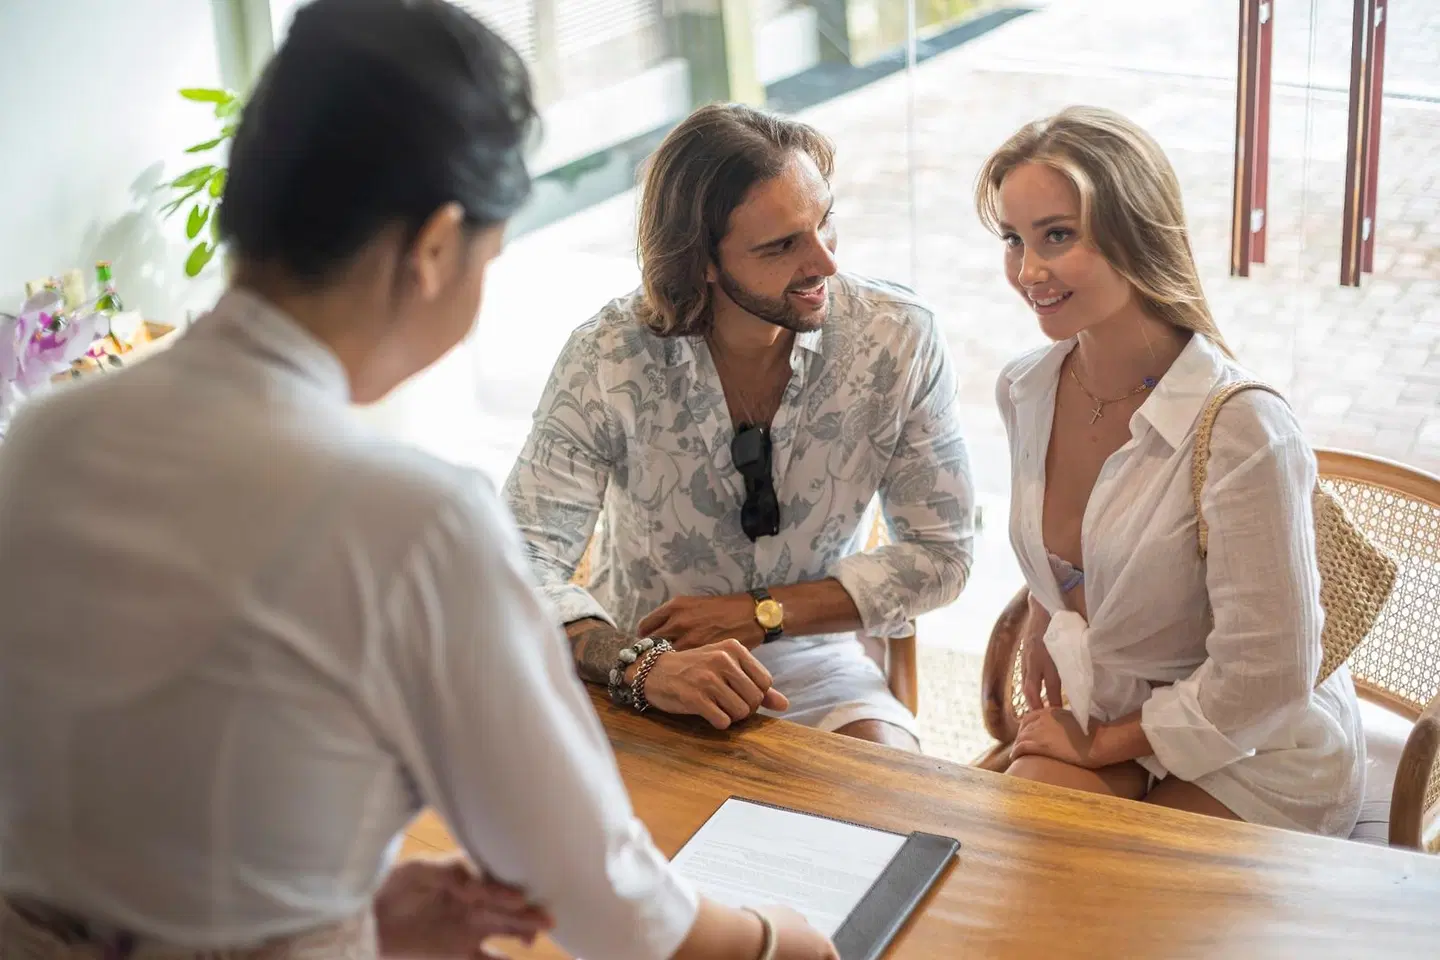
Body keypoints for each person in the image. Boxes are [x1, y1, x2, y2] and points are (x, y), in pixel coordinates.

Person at [0, 3, 836, 959]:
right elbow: (598, 891)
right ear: (438, 246)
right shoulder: (407, 517)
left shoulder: (47, 440)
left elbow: (123, 808)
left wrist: (346, 914)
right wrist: (779, 942)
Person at [503, 103, 975, 752]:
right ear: (700, 261)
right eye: (782, 245)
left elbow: (942, 556)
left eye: (824, 222)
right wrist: (639, 666)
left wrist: (761, 612)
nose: (825, 264)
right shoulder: (607, 356)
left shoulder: (899, 338)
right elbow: (517, 564)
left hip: (815, 660)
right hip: (637, 662)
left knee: (892, 815)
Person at [980, 105, 1364, 836]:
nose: (1028, 272)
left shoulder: (1245, 430)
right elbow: (1072, 547)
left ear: (1136, 233)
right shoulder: (1024, 390)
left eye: (1057, 236)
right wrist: (1040, 614)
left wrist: (1099, 744)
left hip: (1256, 746)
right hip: (1116, 700)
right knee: (1022, 856)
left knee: (1125, 904)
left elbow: (1265, 680)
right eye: (1013, 239)